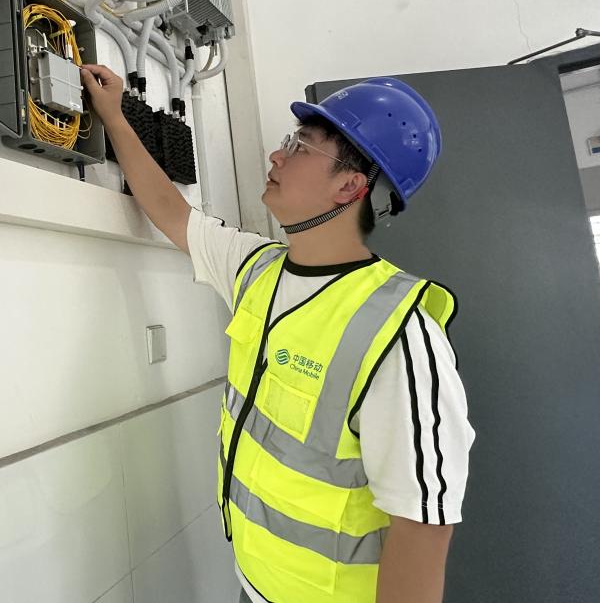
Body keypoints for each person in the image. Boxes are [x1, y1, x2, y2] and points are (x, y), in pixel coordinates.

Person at [80, 64, 474, 603]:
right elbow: (171, 211)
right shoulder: (257, 270)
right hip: (254, 582)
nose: (276, 155)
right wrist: (114, 116)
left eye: (300, 145)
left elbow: (422, 527)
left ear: (350, 185)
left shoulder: (400, 336)